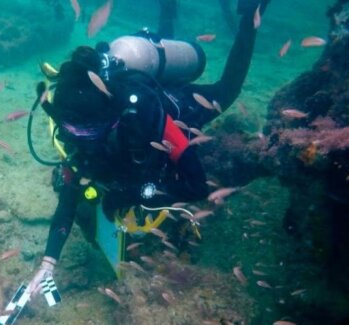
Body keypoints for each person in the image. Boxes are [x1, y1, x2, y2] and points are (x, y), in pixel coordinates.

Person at [25, 0, 270, 297]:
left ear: (111, 117)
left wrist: (139, 194)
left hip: (173, 107)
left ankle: (250, 17)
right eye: (73, 131)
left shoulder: (147, 118)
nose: (82, 139)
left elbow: (195, 187)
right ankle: (168, 9)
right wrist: (47, 264)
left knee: (226, 91)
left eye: (90, 130)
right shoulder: (75, 134)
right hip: (124, 129)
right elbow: (68, 196)